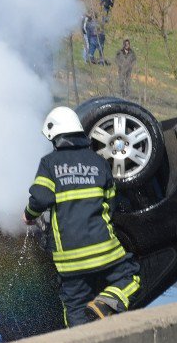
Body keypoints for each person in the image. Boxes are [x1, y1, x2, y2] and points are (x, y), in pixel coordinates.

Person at [22, 107, 141, 326]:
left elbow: (39, 199)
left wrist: (28, 215)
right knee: (130, 278)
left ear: (54, 136)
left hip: (69, 259)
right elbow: (110, 205)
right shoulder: (99, 162)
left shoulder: (50, 164)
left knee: (75, 305)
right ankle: (106, 303)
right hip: (104, 250)